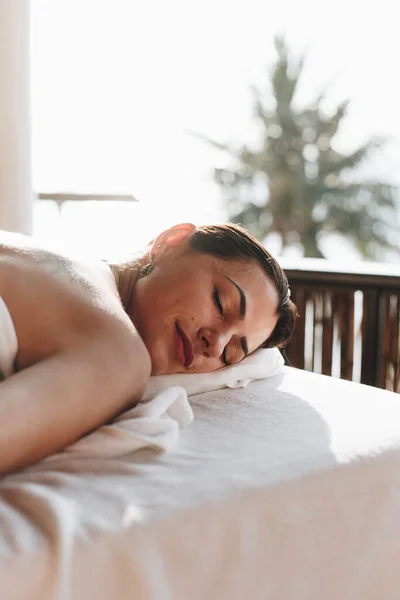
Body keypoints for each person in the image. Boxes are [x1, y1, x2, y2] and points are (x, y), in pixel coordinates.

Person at [0, 222, 297, 474]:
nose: (215, 344)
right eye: (222, 302)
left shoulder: (37, 252)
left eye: (231, 354)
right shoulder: (121, 356)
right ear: (172, 241)